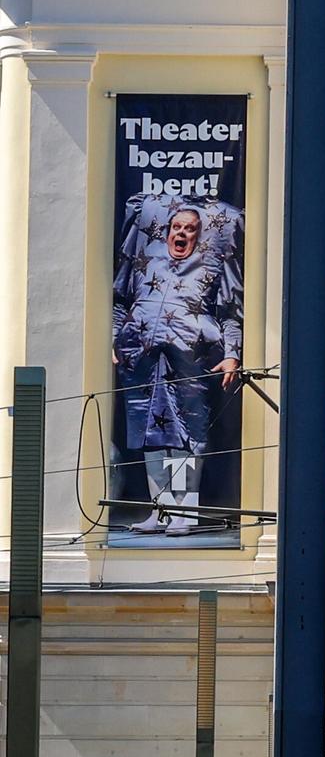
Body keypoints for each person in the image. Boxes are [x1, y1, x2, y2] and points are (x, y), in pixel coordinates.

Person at [112, 201, 243, 535]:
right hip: (142, 356)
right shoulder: (147, 263)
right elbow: (120, 300)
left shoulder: (210, 267)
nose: (182, 233)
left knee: (186, 434)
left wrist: (232, 353)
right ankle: (161, 510)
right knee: (149, 433)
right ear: (167, 231)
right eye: (177, 227)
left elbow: (230, 310)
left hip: (189, 356)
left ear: (198, 235)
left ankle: (185, 510)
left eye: (190, 228)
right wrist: (114, 340)